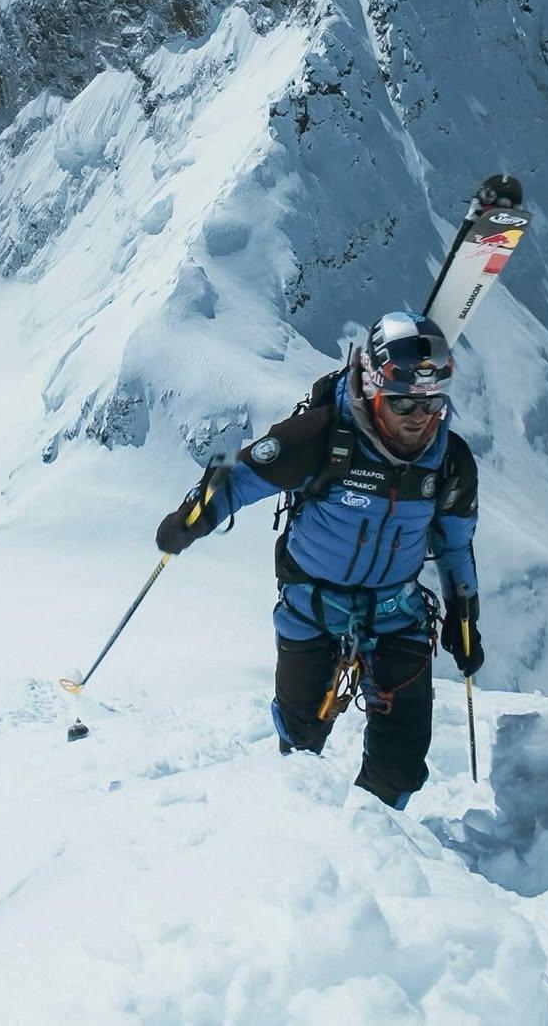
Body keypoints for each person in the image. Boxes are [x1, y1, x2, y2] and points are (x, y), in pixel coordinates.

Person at [155, 310, 484, 810]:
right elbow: (238, 477)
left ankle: (373, 839)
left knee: (401, 760)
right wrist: (192, 518)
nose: (420, 419)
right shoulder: (322, 436)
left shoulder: (450, 462)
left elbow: (457, 544)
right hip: (312, 603)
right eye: (403, 405)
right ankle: (299, 815)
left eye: (433, 404)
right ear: (373, 390)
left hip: (397, 613)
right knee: (301, 728)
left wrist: (465, 615)